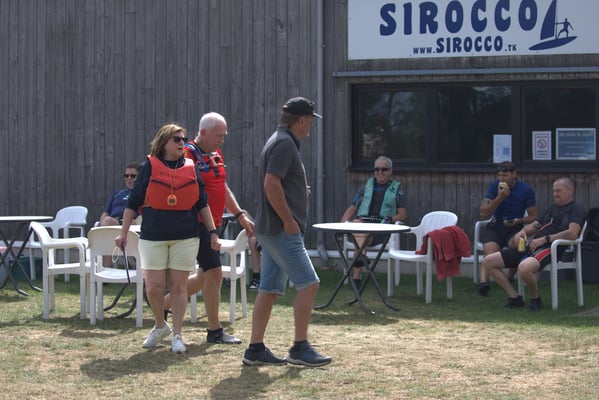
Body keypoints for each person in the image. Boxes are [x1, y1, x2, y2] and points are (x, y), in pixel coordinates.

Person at [115, 123, 221, 353]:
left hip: (185, 236)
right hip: (153, 235)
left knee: (178, 286)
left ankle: (178, 335)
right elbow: (133, 201)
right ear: (163, 143)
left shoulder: (191, 167)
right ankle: (160, 325)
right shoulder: (149, 166)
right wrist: (123, 233)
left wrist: (213, 232)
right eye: (177, 139)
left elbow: (202, 202)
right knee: (153, 286)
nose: (182, 143)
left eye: (183, 139)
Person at [242, 96, 331, 367]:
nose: (311, 127)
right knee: (309, 284)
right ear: (301, 121)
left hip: (270, 230)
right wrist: (289, 221)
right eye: (310, 122)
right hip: (281, 231)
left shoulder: (279, 140)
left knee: (269, 288)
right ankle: (300, 347)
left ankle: (255, 349)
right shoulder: (284, 144)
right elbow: (271, 183)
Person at [163, 112, 254, 345]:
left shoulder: (215, 153)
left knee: (205, 275)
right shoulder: (187, 154)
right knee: (214, 272)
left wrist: (239, 214)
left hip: (215, 223)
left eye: (224, 136)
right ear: (203, 133)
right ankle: (215, 330)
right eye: (218, 136)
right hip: (196, 223)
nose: (221, 140)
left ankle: (163, 304)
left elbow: (221, 186)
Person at [482, 177, 586, 311]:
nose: (555, 194)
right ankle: (515, 297)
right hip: (532, 245)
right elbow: (536, 224)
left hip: (550, 248)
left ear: (570, 190)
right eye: (554, 191)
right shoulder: (552, 208)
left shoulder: (576, 208)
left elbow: (572, 233)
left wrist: (545, 239)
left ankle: (535, 298)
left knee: (524, 267)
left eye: (558, 191)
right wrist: (523, 231)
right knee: (488, 261)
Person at [340, 155, 406, 288]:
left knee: (360, 236)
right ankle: (360, 259)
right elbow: (353, 207)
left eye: (384, 169)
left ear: (390, 171)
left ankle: (356, 276)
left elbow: (403, 215)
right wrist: (341, 226)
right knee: (358, 226)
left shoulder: (396, 189)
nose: (380, 172)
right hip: (364, 226)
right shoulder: (366, 187)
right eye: (377, 169)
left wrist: (391, 219)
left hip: (382, 228)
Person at [477, 161, 538, 296]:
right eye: (499, 175)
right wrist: (500, 197)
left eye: (505, 175)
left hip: (515, 226)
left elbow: (533, 216)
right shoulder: (494, 187)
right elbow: (484, 213)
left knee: (519, 247)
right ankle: (483, 283)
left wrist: (519, 220)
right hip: (496, 225)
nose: (502, 179)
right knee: (490, 251)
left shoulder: (525, 189)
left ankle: (509, 277)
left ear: (514, 174)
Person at [99, 162, 139, 266]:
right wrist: (103, 223)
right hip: (113, 224)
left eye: (133, 176)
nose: (129, 178)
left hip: (132, 226)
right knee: (107, 222)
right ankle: (105, 270)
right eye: (126, 176)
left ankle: (139, 271)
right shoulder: (117, 194)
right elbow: (105, 213)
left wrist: (136, 221)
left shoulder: (142, 194)